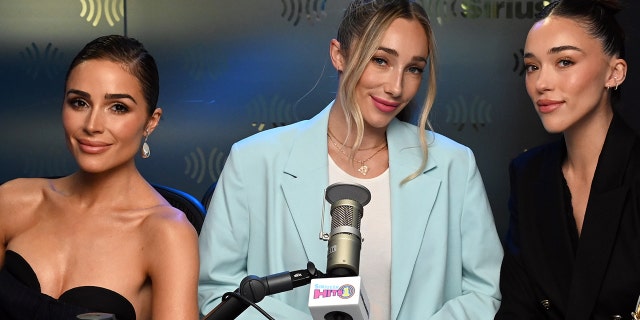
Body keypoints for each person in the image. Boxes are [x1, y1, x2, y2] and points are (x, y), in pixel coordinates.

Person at [198, 0, 503, 319]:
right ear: (338, 54)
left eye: (414, 69)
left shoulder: (456, 165)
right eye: (381, 60)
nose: (396, 87)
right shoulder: (253, 161)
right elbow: (216, 290)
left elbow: (484, 292)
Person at [0, 35, 199, 320]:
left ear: (150, 122)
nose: (92, 125)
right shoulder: (12, 200)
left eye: (118, 107)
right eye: (79, 103)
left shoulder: (167, 233)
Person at [495, 0, 635, 319]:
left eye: (564, 62)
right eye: (533, 66)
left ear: (614, 73)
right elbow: (518, 306)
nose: (542, 83)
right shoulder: (528, 175)